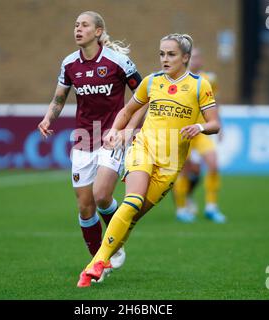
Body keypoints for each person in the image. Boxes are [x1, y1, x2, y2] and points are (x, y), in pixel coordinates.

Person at [77, 33, 221, 287]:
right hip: (144, 148)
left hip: (170, 163)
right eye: (162, 54)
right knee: (132, 201)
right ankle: (94, 265)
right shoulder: (151, 82)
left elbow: (214, 124)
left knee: (132, 216)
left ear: (185, 57)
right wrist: (114, 130)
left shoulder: (200, 85)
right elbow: (127, 110)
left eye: (171, 54)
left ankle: (107, 256)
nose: (165, 59)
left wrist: (199, 128)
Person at [37, 11, 142, 281]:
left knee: (102, 196)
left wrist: (127, 130)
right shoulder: (70, 64)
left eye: (84, 25)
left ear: (98, 32)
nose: (78, 29)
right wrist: (49, 118)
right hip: (83, 140)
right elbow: (59, 98)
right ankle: (99, 261)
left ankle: (114, 242)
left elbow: (144, 96)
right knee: (85, 207)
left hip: (110, 137)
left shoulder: (117, 61)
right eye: (76, 25)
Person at [173, 48, 226, 223]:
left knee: (213, 164)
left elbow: (215, 104)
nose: (196, 60)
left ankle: (211, 207)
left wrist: (220, 127)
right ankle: (181, 209)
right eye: (193, 57)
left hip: (202, 130)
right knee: (184, 171)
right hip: (183, 132)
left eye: (198, 56)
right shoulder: (178, 80)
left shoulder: (209, 79)